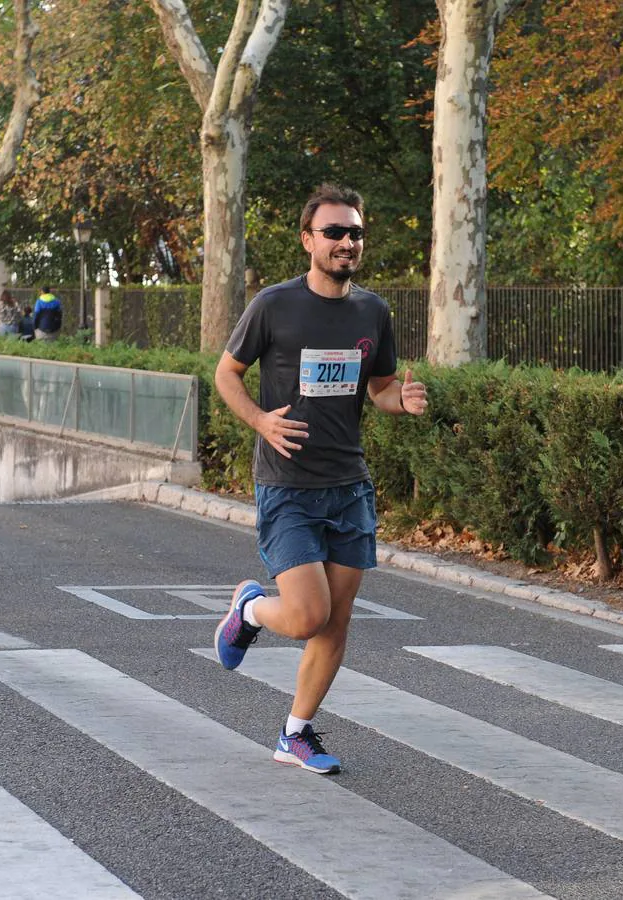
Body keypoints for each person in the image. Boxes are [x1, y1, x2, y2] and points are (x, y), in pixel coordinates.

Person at [212, 184, 428, 774]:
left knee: (336, 620)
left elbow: (378, 387)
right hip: (288, 484)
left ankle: (296, 732)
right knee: (307, 614)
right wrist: (260, 420)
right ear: (308, 240)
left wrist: (399, 401)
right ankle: (252, 608)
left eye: (354, 233)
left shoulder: (372, 311)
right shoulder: (274, 306)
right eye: (333, 232)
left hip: (348, 484)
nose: (346, 242)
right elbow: (226, 374)